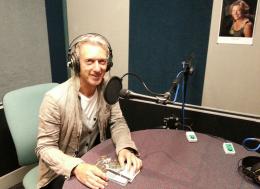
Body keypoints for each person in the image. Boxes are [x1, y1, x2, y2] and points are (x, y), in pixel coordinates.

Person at [35, 33, 142, 189]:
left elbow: (117, 122)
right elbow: (45, 147)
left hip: (93, 160)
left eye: (102, 62)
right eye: (90, 61)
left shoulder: (108, 89)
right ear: (76, 64)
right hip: (60, 172)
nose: (98, 68)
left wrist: (124, 146)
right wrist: (76, 167)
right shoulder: (54, 99)